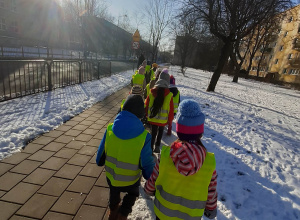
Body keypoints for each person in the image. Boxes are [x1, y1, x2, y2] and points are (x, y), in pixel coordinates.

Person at [144, 99, 218, 220]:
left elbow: (155, 177)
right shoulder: (209, 162)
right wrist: (210, 209)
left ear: (179, 131)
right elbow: (211, 191)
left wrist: (149, 189)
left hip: (162, 213)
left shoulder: (166, 154)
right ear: (200, 132)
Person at [96, 95, 154, 220]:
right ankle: (123, 214)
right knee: (133, 193)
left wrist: (100, 161)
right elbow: (147, 165)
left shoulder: (110, 129)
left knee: (114, 190)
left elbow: (99, 157)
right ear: (140, 114)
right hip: (130, 180)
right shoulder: (144, 137)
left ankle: (112, 211)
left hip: (111, 176)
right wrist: (152, 178)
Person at [145, 68, 174, 153]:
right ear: (167, 82)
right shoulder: (169, 95)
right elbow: (171, 110)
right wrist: (170, 120)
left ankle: (150, 147)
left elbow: (146, 105)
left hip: (152, 118)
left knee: (153, 133)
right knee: (160, 132)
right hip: (163, 120)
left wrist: (147, 115)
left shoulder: (151, 92)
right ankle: (157, 146)